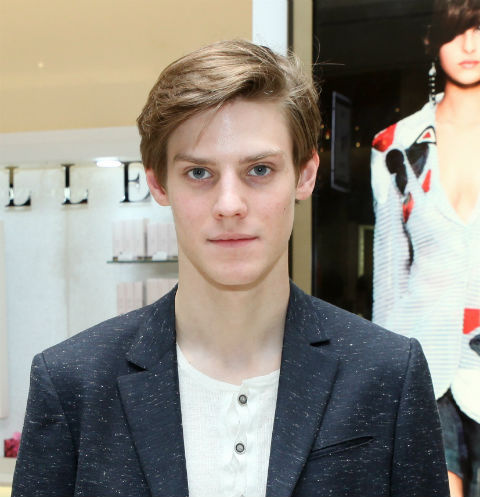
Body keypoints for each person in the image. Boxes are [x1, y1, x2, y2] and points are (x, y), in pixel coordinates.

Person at [12, 40, 448, 497]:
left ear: (304, 175)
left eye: (259, 170)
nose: (229, 205)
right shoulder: (73, 382)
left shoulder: (387, 373)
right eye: (199, 173)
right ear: (158, 183)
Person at [370, 1, 480, 495]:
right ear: (432, 41)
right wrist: (383, 379)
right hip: (423, 366)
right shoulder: (394, 144)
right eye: (456, 31)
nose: (470, 45)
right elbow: (390, 274)